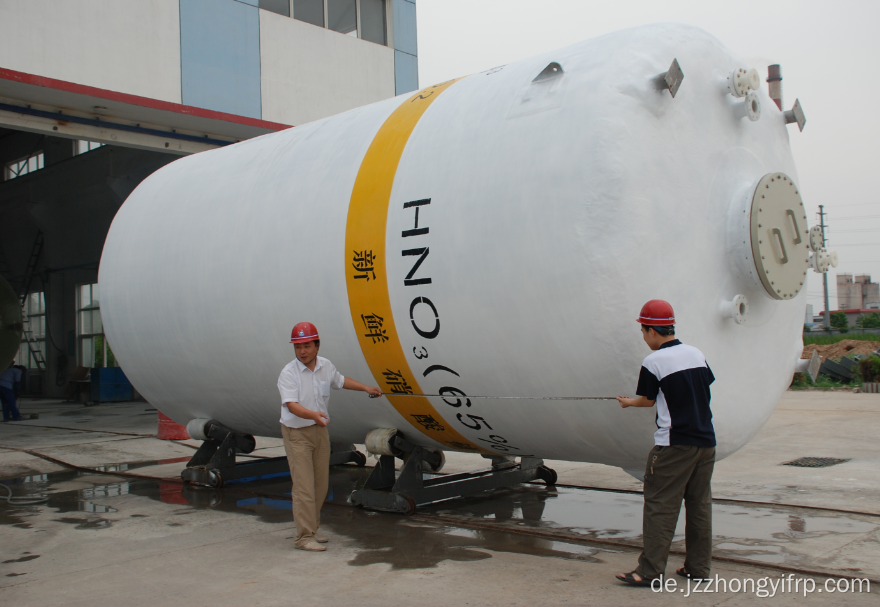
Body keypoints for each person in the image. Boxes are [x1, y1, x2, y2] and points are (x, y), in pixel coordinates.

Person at [615, 300, 716, 586]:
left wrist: (627, 403)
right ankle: (698, 568)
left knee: (661, 505)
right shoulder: (696, 353)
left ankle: (648, 572)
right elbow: (703, 387)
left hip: (674, 445)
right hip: (706, 442)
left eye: (643, 332)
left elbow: (647, 401)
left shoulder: (654, 361)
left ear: (652, 331)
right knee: (699, 505)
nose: (644, 338)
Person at [277, 321, 382, 552]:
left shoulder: (325, 366)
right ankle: (304, 537)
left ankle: (312, 530)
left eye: (306, 346)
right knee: (304, 486)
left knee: (320, 485)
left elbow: (341, 381)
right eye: (297, 347)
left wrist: (366, 388)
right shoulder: (288, 373)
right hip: (297, 434)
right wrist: (313, 415)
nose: (302, 351)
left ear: (317, 345)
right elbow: (292, 406)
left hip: (319, 431)